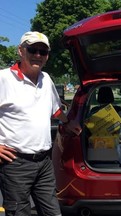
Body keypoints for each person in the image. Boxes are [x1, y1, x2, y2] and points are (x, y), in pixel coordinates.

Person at [0, 31, 81, 216]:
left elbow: (56, 110)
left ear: (47, 56)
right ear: (21, 51)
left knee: (53, 213)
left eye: (42, 52)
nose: (38, 55)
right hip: (15, 164)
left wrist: (69, 123)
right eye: (33, 49)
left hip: (44, 161)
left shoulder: (46, 79)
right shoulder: (3, 79)